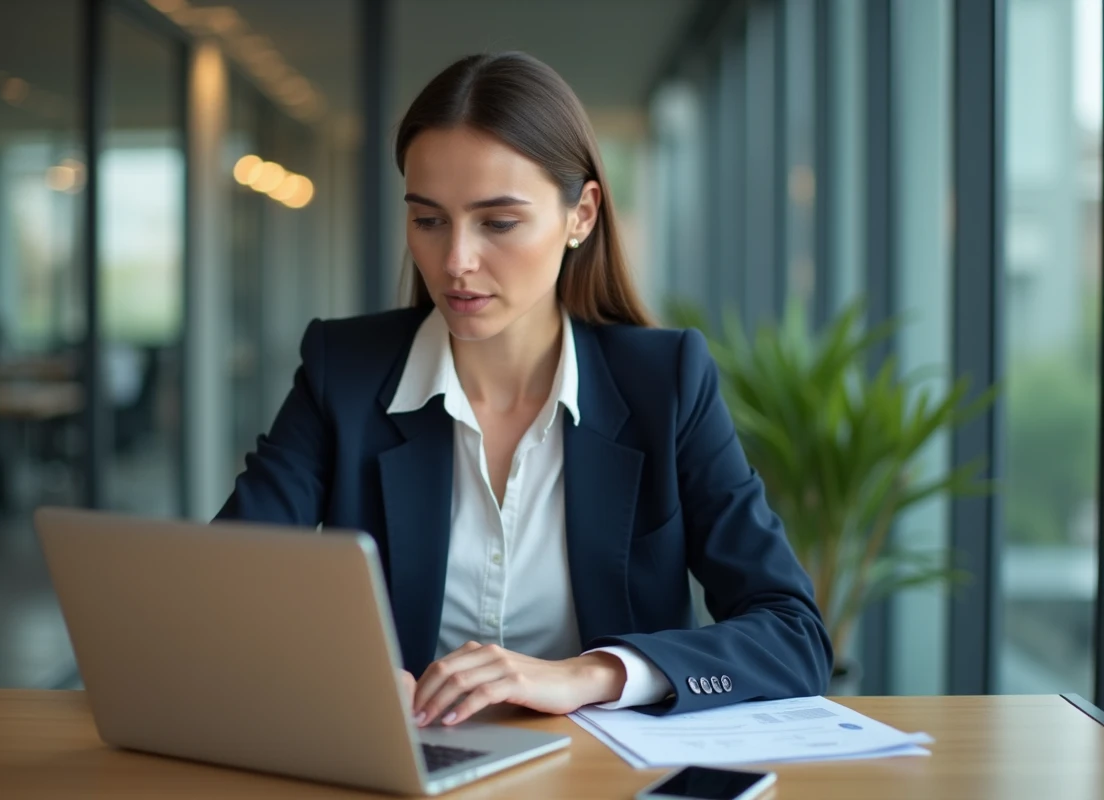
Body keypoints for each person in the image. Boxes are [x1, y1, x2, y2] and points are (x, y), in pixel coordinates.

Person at [217, 52, 832, 727]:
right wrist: (337, 671)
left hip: (600, 778)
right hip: (405, 771)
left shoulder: (666, 384)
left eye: (498, 223)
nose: (455, 262)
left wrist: (587, 675)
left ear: (582, 214)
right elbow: (224, 586)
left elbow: (792, 633)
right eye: (428, 220)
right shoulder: (347, 372)